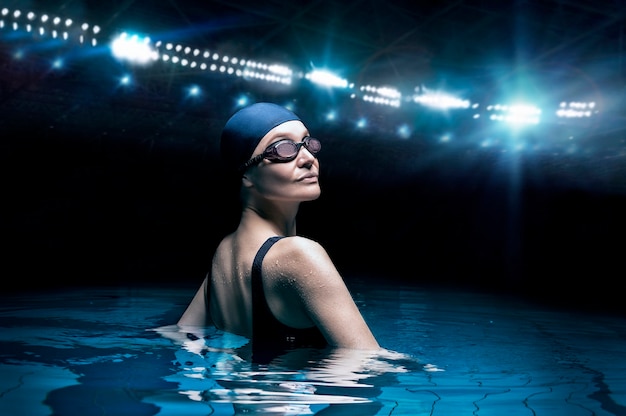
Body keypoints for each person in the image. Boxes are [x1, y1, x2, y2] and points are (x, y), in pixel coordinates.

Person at [177, 102, 379, 360]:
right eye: (283, 148)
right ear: (246, 174)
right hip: (288, 399)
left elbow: (184, 333)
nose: (308, 159)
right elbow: (367, 366)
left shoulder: (224, 252)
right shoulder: (299, 254)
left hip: (240, 399)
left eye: (308, 143)